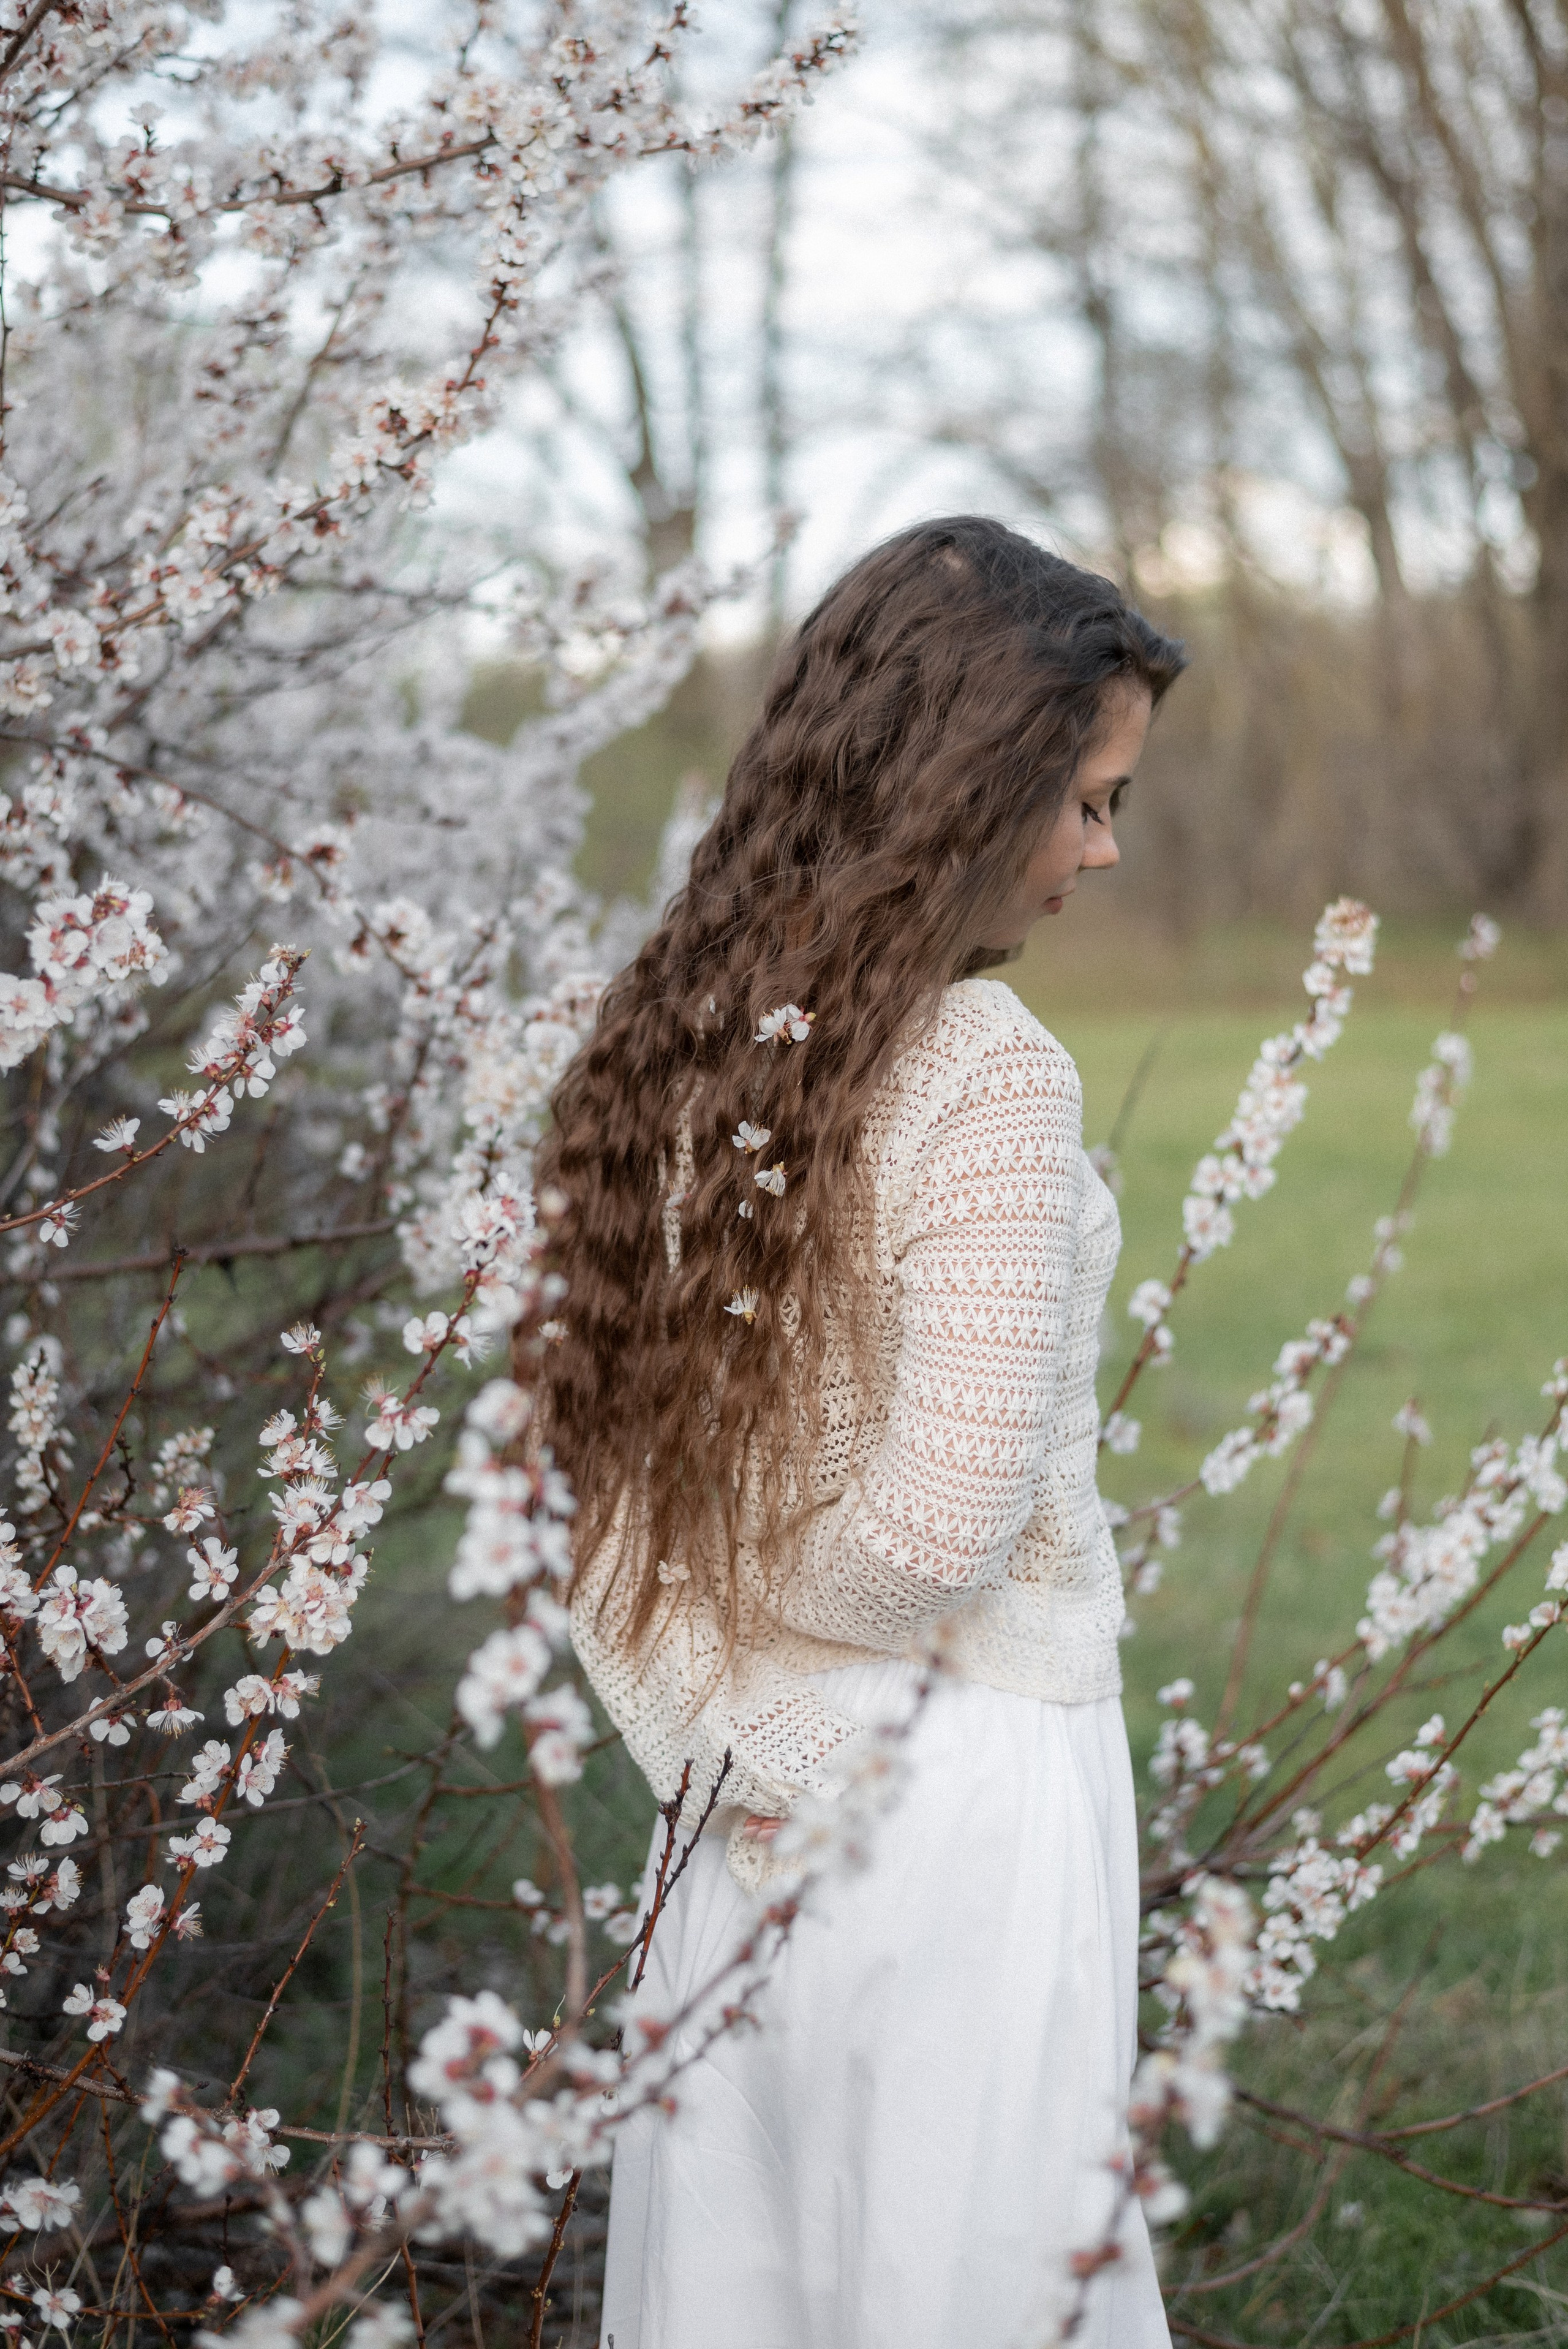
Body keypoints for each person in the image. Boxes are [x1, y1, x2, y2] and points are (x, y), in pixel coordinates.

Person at [533, 516, 1187, 2348]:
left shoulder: (669, 1046)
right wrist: (767, 1616)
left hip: (739, 1786)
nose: (1104, 851)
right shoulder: (987, 1072)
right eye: (1086, 801)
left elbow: (606, 1492)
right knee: (971, 2287)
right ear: (964, 787)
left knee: (743, 2291)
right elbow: (936, 1531)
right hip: (954, 1785)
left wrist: (723, 1679)